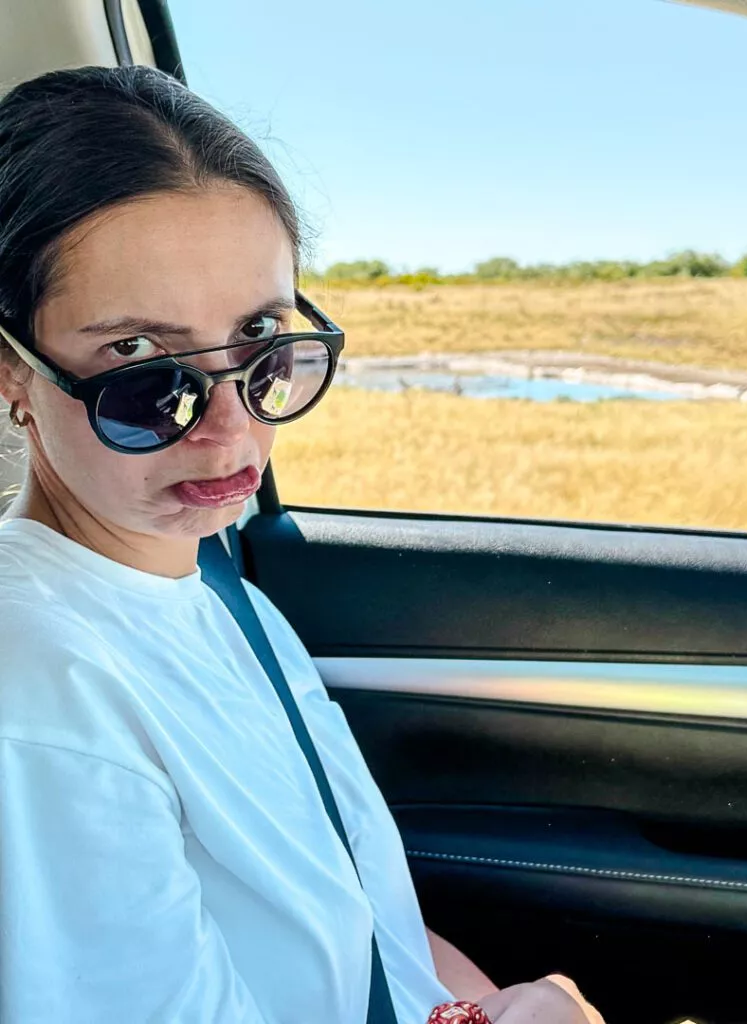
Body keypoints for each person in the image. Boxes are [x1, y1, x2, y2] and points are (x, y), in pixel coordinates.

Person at [0, 64, 604, 1024]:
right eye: (139, 365)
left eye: (262, 339)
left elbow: (358, 913)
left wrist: (495, 1006)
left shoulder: (203, 577)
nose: (230, 432)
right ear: (13, 373)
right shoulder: (39, 690)